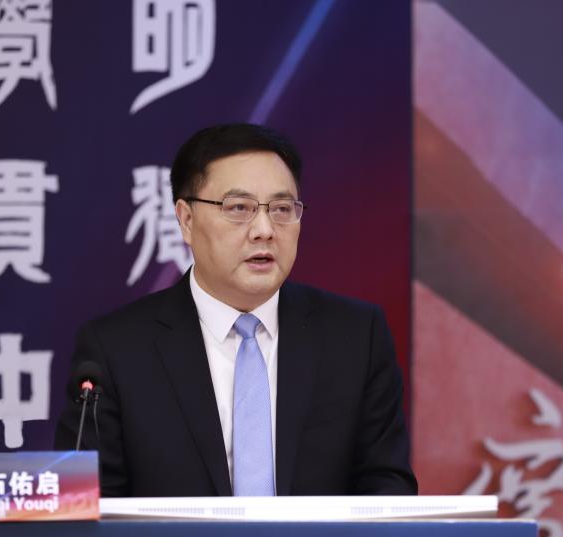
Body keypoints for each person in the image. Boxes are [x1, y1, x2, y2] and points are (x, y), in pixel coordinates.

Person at [55, 123, 416, 497]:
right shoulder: (116, 351)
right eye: (239, 208)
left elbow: (388, 488)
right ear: (186, 220)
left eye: (282, 209)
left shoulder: (355, 338)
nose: (264, 230)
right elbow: (87, 503)